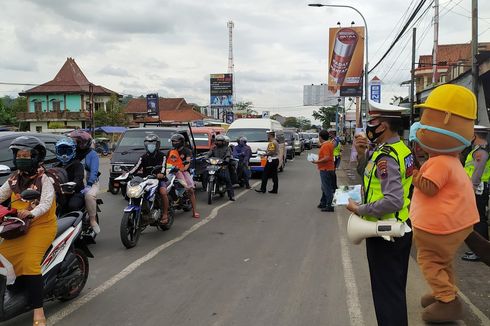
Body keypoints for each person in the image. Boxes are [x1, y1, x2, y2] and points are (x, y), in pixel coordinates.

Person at [346, 102, 414, 326]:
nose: (368, 127)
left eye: (372, 123)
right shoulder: (400, 149)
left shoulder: (387, 157)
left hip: (385, 233)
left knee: (386, 296)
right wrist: (363, 153)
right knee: (393, 292)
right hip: (398, 227)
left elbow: (393, 199)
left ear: (383, 126)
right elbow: (368, 174)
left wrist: (359, 209)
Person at [0, 136, 58, 326]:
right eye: (19, 154)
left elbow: (46, 203)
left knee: (30, 262)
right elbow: (1, 195)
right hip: (18, 225)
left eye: (26, 154)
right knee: (3, 258)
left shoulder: (44, 179)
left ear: (36, 157)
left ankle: (38, 312)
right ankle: (15, 290)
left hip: (41, 226)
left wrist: (31, 213)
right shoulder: (14, 179)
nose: (21, 157)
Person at [462, 125, 490, 261]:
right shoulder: (478, 150)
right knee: (477, 219)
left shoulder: (481, 153)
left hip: (478, 189)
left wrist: (471, 189)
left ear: (475, 136)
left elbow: (477, 173)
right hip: (477, 188)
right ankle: (479, 250)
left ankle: (481, 252)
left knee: (479, 220)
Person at [128, 134, 170, 225]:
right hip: (146, 180)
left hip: (159, 179)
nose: (150, 145)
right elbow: (136, 167)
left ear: (157, 145)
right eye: (148, 143)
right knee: (136, 192)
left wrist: (161, 174)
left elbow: (163, 168)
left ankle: (165, 214)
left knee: (163, 192)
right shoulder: (143, 157)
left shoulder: (162, 156)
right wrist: (128, 174)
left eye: (153, 143)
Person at [68, 130, 100, 234]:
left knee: (89, 196)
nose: (76, 144)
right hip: (75, 182)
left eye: (78, 142)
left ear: (85, 143)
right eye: (74, 142)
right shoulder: (71, 153)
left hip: (90, 182)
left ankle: (92, 220)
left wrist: (89, 184)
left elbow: (94, 171)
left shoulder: (92, 154)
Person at [167, 133, 200, 217]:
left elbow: (188, 161)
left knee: (190, 190)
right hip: (172, 172)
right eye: (173, 141)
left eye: (176, 141)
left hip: (183, 172)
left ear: (181, 142)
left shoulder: (186, 151)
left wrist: (184, 168)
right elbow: (167, 162)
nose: (174, 143)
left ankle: (194, 211)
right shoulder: (171, 151)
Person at [55, 138, 85, 213]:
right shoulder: (56, 166)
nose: (64, 155)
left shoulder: (78, 164)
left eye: (68, 151)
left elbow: (79, 178)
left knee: (73, 206)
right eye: (61, 151)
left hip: (76, 192)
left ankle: (82, 222)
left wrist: (72, 186)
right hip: (61, 194)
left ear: (73, 151)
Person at [312, 130, 335, 212]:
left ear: (320, 137)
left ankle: (329, 205)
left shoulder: (325, 146)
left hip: (326, 169)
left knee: (327, 188)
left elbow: (327, 157)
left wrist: (317, 161)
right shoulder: (328, 144)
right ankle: (323, 202)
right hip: (328, 168)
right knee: (324, 187)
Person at [206, 134, 235, 201]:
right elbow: (209, 153)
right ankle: (206, 186)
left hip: (223, 165)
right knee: (206, 174)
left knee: (227, 179)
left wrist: (227, 160)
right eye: (218, 141)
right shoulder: (214, 148)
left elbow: (228, 155)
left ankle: (231, 195)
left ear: (223, 142)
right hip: (214, 165)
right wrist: (206, 157)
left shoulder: (227, 148)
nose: (219, 142)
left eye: (220, 141)